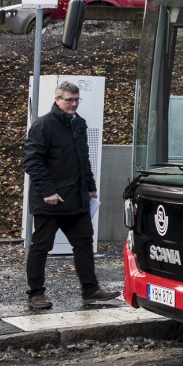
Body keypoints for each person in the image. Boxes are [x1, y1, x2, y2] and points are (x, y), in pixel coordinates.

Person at [22, 80, 117, 310]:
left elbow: (83, 159)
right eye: (69, 100)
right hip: (50, 201)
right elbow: (32, 161)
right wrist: (48, 191)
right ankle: (36, 294)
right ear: (57, 99)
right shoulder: (43, 125)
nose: (73, 104)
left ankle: (90, 289)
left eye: (76, 100)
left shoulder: (79, 124)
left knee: (84, 242)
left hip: (76, 199)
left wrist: (91, 186)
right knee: (41, 246)